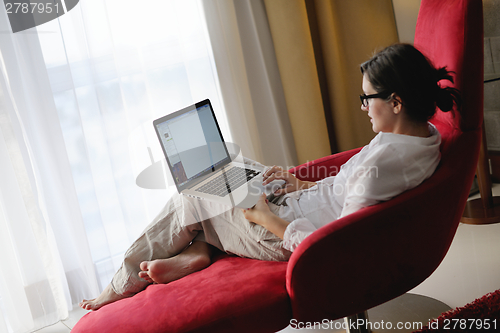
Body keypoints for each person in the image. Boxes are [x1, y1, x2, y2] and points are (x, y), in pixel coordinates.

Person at [79, 43, 461, 311]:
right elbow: (346, 192)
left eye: (367, 99)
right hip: (295, 205)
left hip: (280, 232)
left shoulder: (390, 160)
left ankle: (119, 286)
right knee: (230, 169)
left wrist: (266, 217)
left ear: (396, 101)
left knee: (192, 192)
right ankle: (199, 250)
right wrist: (299, 185)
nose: (363, 107)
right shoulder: (421, 136)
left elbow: (338, 245)